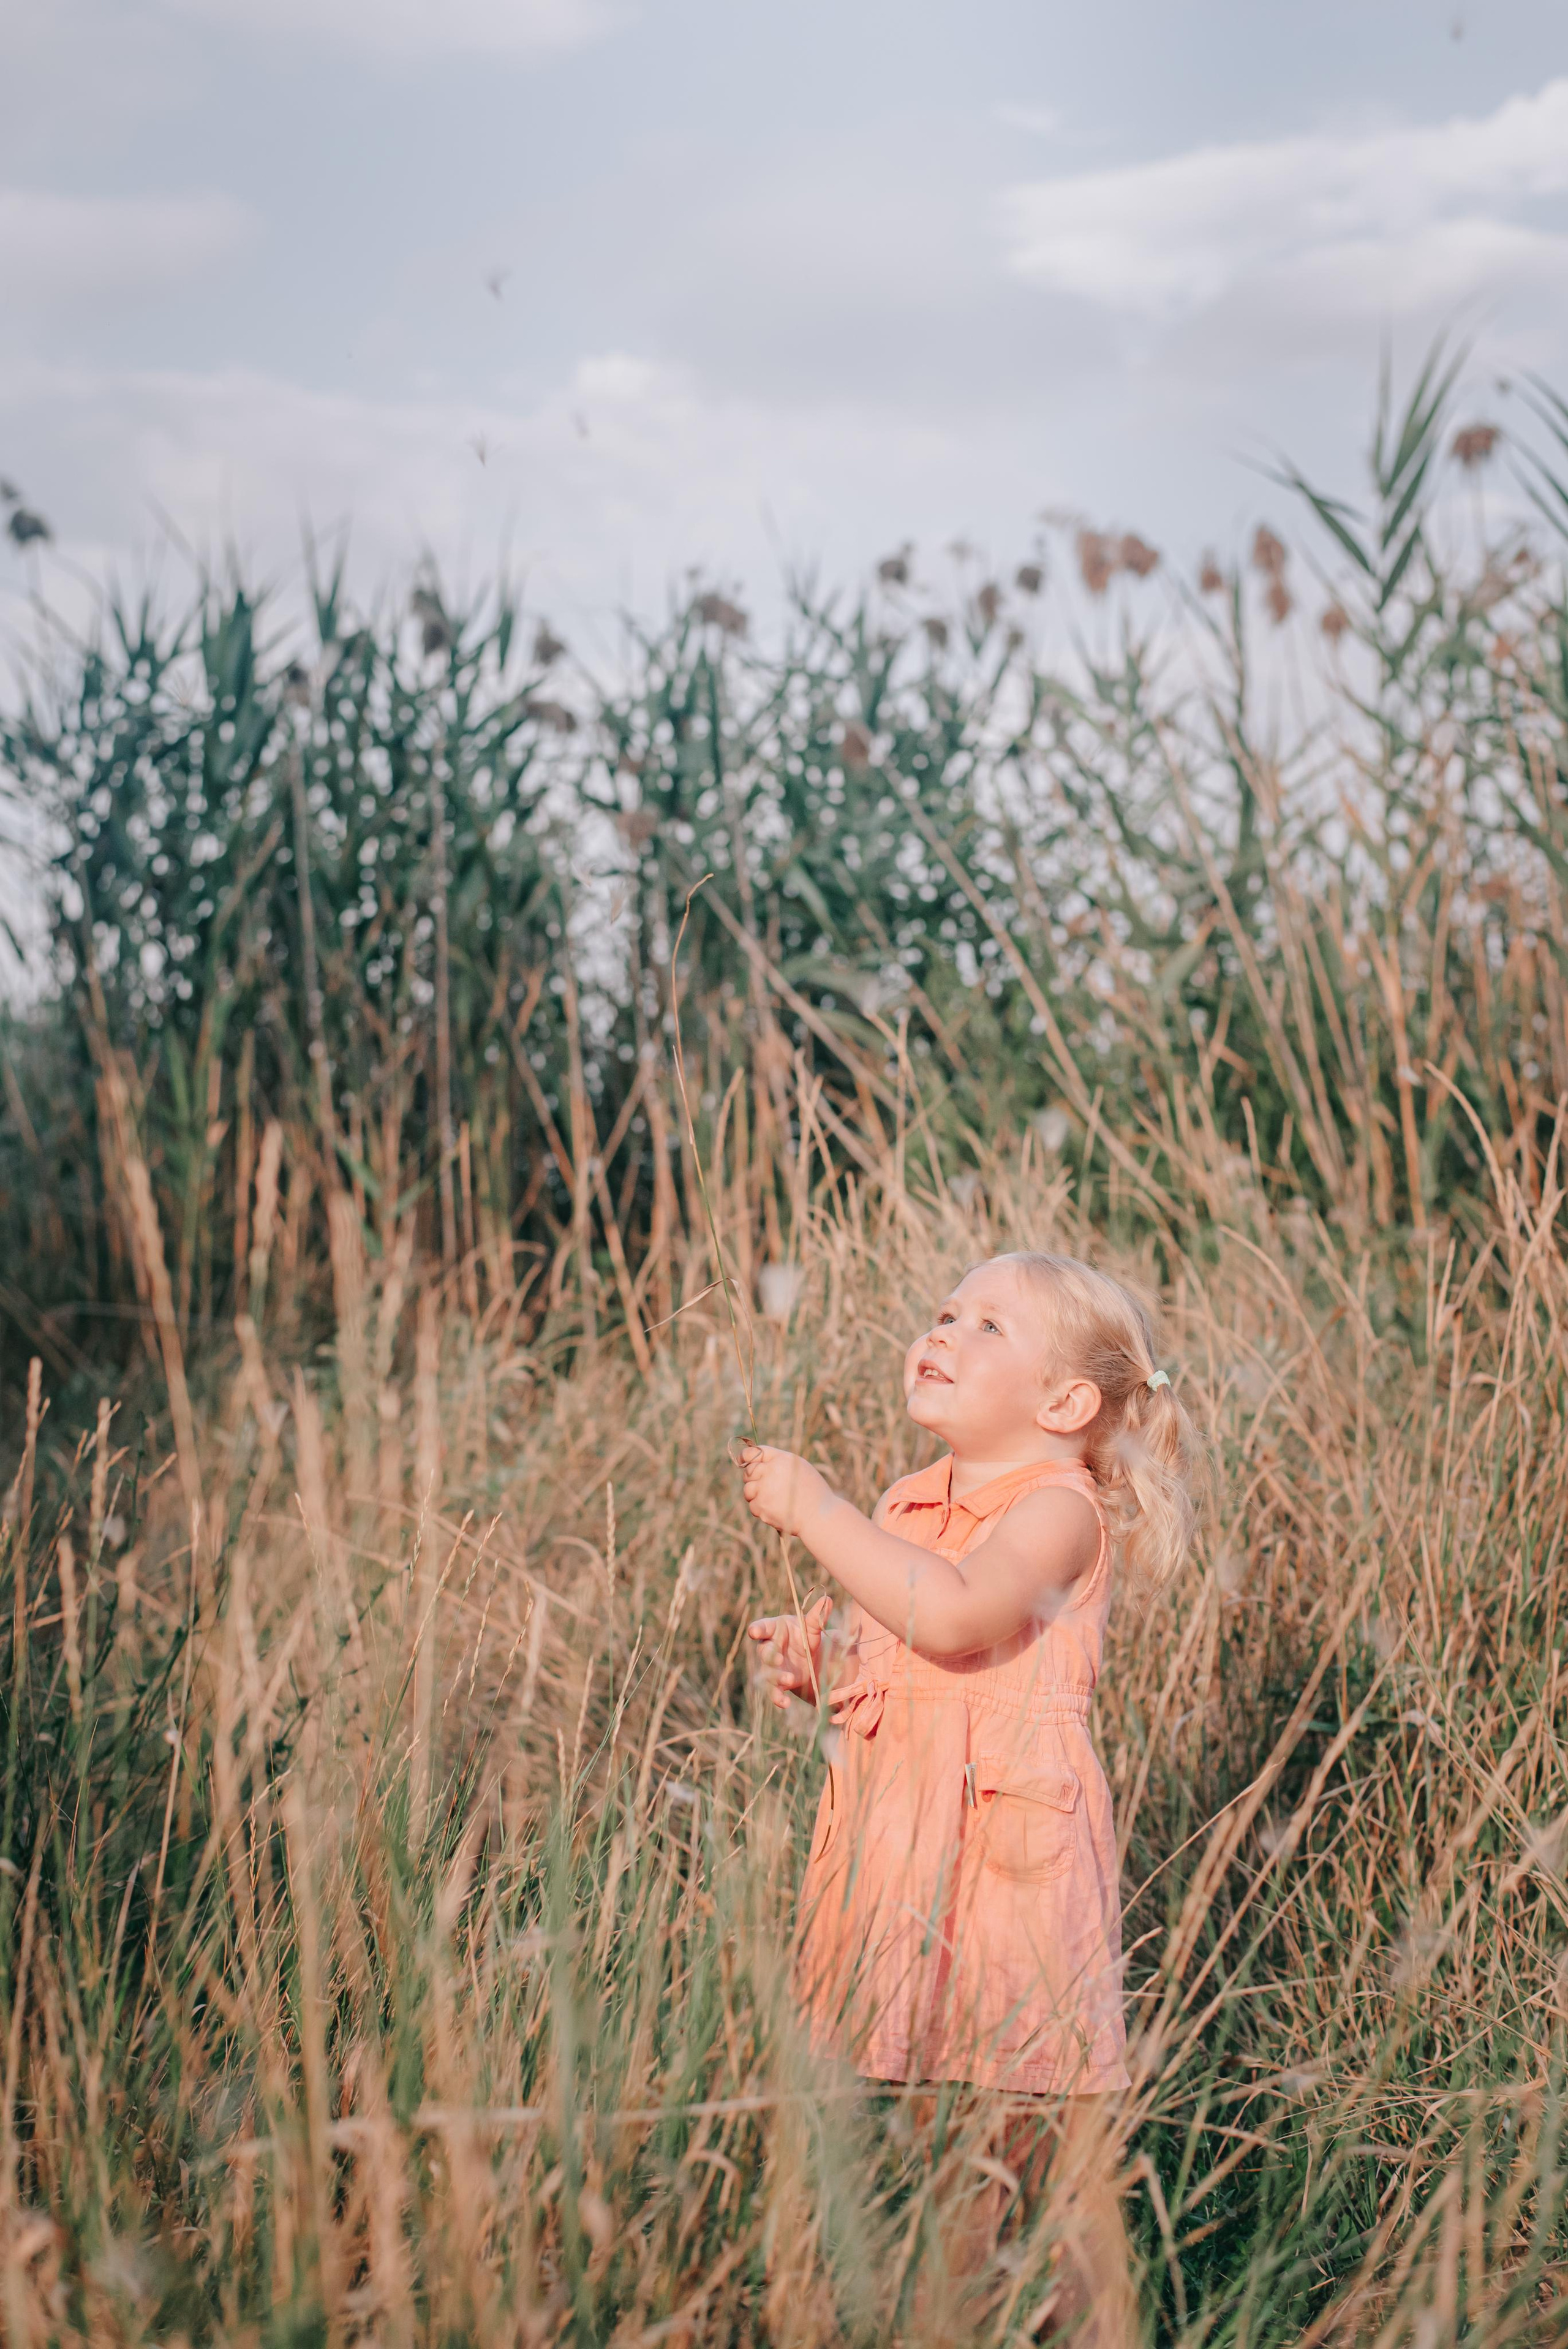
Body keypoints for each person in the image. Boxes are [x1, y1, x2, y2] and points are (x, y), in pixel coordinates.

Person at [740, 1249, 1200, 2342]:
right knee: (941, 2132)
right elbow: (906, 1654)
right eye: (945, 1312)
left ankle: (1054, 2324)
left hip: (1006, 1873)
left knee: (1029, 2150)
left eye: (988, 1324)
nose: (943, 1330)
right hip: (903, 1855)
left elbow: (952, 1615)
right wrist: (824, 1662)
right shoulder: (908, 1503)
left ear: (1065, 1404)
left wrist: (815, 1508)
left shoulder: (1060, 1511)